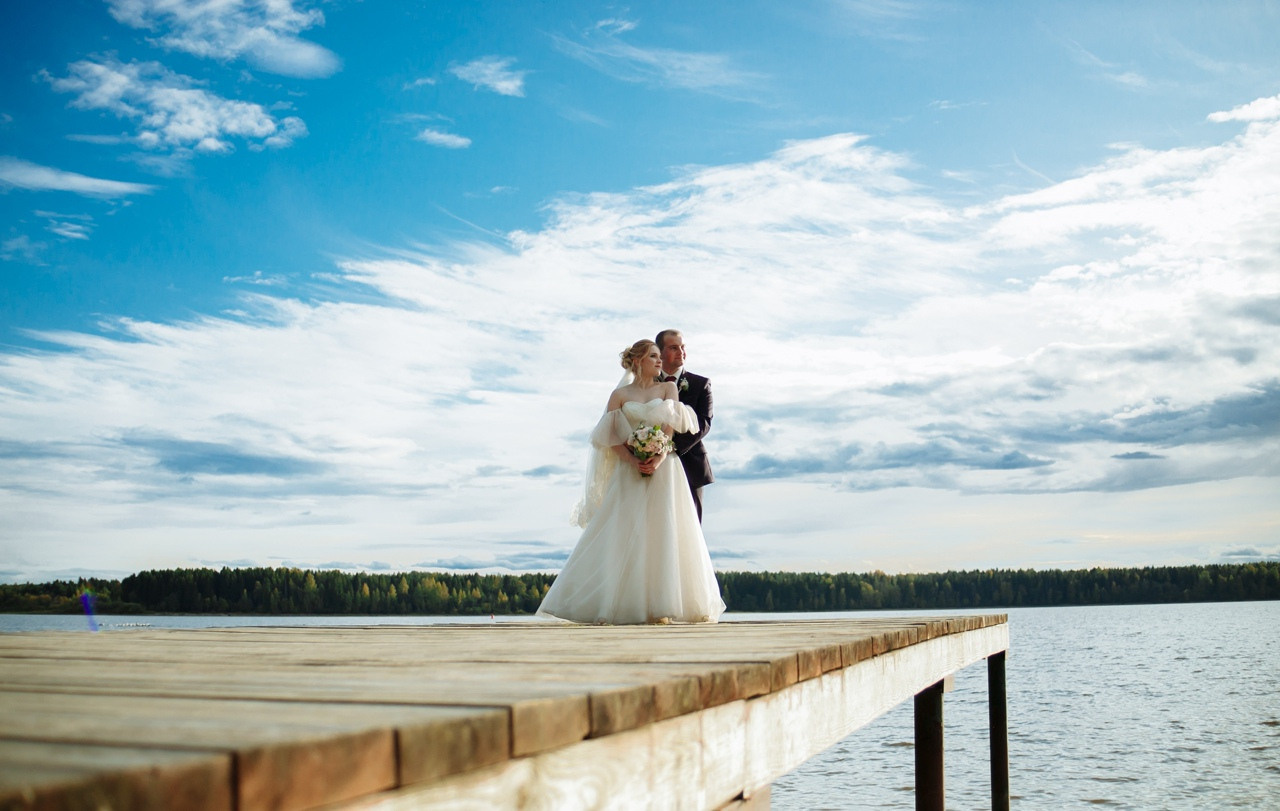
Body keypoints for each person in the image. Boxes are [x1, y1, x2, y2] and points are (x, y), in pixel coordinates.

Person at [537, 339, 725, 625]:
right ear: (638, 361)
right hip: (630, 470)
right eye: (653, 356)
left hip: (665, 470)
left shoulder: (668, 388)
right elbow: (608, 437)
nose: (660, 361)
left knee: (665, 531)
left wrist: (658, 458)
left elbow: (669, 429)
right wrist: (633, 459)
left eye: (660, 356)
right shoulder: (619, 395)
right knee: (622, 530)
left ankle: (665, 605)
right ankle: (616, 603)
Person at [655, 329, 713, 523]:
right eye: (673, 348)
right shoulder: (647, 385)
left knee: (691, 525)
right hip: (653, 465)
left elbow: (704, 422)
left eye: (682, 347)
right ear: (660, 352)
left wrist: (669, 448)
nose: (681, 352)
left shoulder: (701, 384)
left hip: (690, 463)